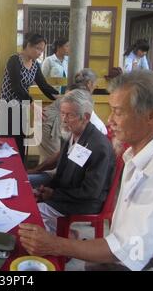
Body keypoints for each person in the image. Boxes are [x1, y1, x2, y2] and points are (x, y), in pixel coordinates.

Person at [19, 70, 153, 271]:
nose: (110, 121)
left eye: (118, 112)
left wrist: (56, 244)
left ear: (151, 115)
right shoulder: (135, 156)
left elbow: (129, 248)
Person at [31, 89, 115, 233]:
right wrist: (45, 189)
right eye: (62, 113)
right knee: (29, 197)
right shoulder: (74, 134)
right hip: (68, 192)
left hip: (84, 202)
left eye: (69, 115)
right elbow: (63, 172)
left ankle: (63, 241)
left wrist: (54, 194)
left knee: (33, 214)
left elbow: (90, 192)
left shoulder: (98, 145)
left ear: (86, 117)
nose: (63, 119)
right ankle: (63, 234)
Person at [0, 33, 58, 162]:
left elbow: (44, 85)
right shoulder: (14, 60)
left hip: (21, 108)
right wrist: (32, 104)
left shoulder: (35, 65)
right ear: (28, 46)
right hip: (6, 107)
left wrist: (60, 98)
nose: (40, 53)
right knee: (6, 141)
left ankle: (19, 172)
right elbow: (16, 86)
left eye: (42, 50)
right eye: (38, 48)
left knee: (20, 142)